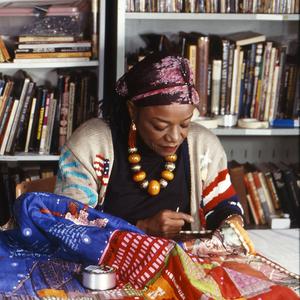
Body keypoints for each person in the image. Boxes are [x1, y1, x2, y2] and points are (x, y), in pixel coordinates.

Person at [54, 51, 244, 236]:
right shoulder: (90, 145)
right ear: (132, 110)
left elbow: (223, 206)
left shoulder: (203, 146)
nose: (175, 137)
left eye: (185, 124)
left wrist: (231, 222)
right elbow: (68, 225)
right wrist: (140, 228)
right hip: (103, 264)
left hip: (181, 262)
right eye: (160, 126)